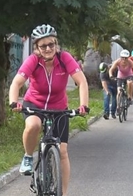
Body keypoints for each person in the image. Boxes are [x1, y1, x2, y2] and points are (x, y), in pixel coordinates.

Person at [8, 24, 89, 196]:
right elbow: (17, 82)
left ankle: (63, 193)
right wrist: (14, 102)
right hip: (34, 104)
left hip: (59, 107)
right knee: (33, 126)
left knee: (63, 151)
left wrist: (84, 105)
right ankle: (28, 157)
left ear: (56, 44)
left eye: (51, 44)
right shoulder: (33, 61)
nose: (48, 49)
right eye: (43, 45)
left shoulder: (64, 58)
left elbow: (81, 82)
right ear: (36, 48)